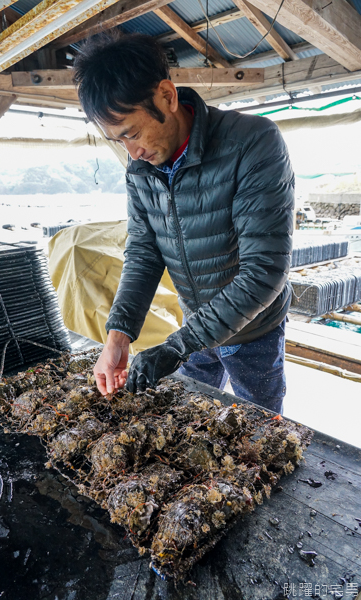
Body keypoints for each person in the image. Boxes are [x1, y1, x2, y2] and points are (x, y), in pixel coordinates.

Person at [74, 32, 294, 414]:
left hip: (254, 332)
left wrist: (177, 346)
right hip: (193, 324)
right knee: (186, 420)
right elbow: (144, 253)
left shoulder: (253, 143)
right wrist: (118, 337)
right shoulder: (141, 169)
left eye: (132, 133)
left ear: (167, 96)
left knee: (257, 435)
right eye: (118, 141)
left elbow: (265, 271)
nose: (133, 153)